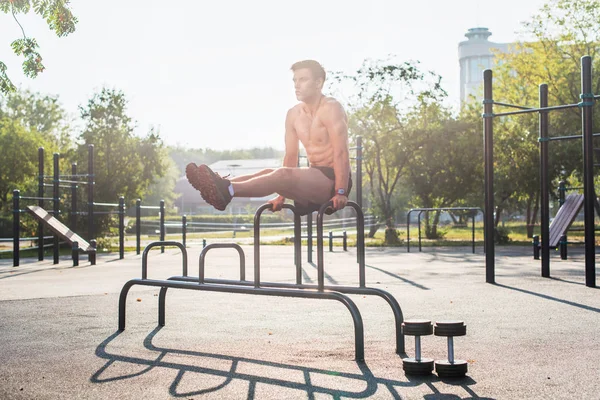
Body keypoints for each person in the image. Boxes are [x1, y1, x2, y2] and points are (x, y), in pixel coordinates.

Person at [186, 59, 352, 215]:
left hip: (333, 181)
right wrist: (282, 196)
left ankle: (226, 189)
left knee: (281, 175)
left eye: (303, 80)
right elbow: (291, 157)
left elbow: (341, 153)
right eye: (294, 80)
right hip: (311, 177)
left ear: (318, 83)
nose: (297, 85)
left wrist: (341, 192)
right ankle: (215, 184)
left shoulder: (331, 108)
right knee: (269, 172)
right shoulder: (294, 114)